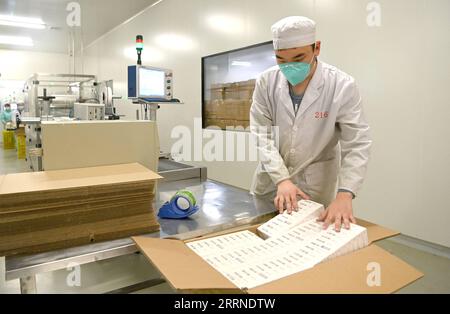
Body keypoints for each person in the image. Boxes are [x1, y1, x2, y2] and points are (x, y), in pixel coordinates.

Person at [250, 16, 372, 232]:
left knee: (305, 245)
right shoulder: (266, 82)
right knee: (266, 242)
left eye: (298, 57)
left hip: (314, 187)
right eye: (281, 60)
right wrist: (281, 180)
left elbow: (357, 143)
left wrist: (345, 193)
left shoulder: (341, 85)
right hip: (271, 185)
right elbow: (261, 134)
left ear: (317, 48)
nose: (290, 67)